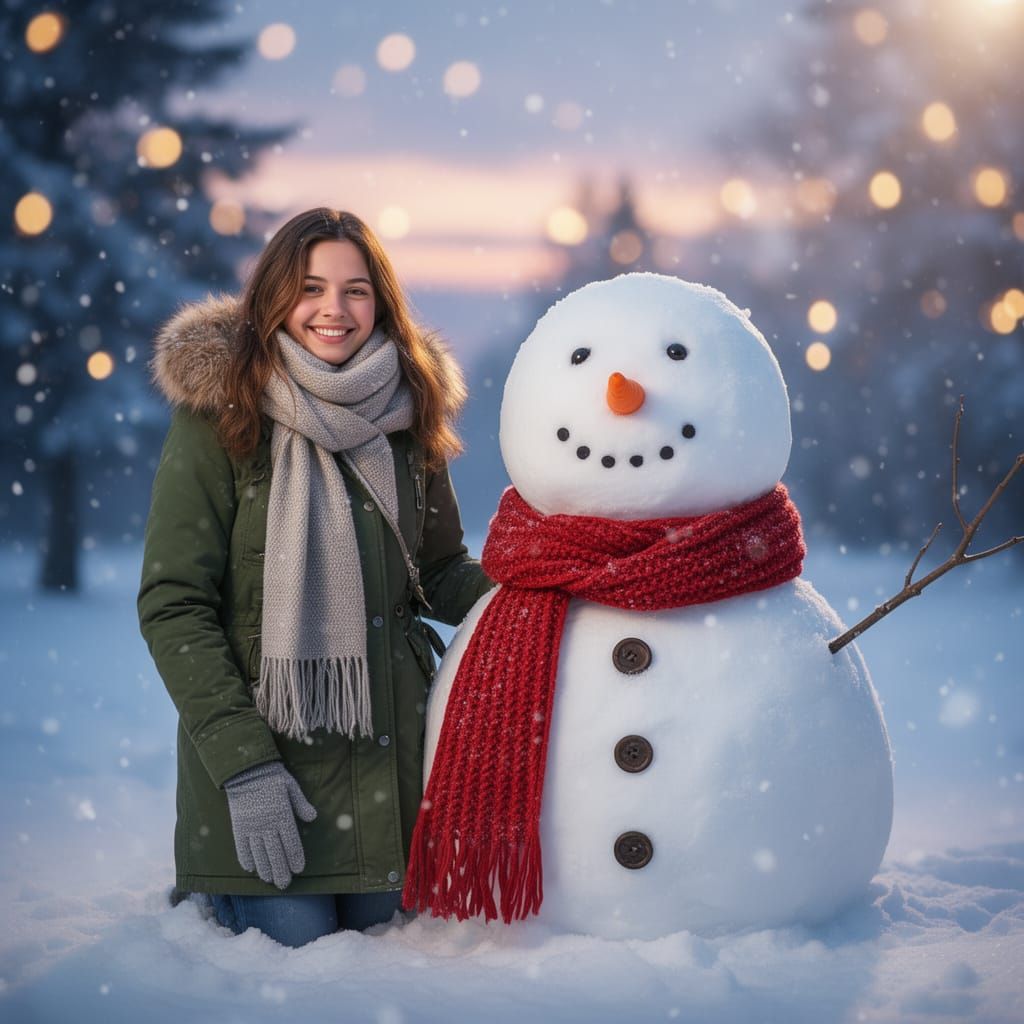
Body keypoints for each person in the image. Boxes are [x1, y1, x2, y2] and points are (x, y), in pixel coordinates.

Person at [138, 208, 491, 947]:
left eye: (356, 290)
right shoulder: (221, 420)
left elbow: (441, 570)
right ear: (274, 298)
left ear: (381, 304)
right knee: (293, 964)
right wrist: (244, 770)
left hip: (388, 775)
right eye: (310, 288)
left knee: (392, 968)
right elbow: (175, 605)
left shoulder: (409, 417)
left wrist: (541, 601)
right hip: (272, 780)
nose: (335, 309)